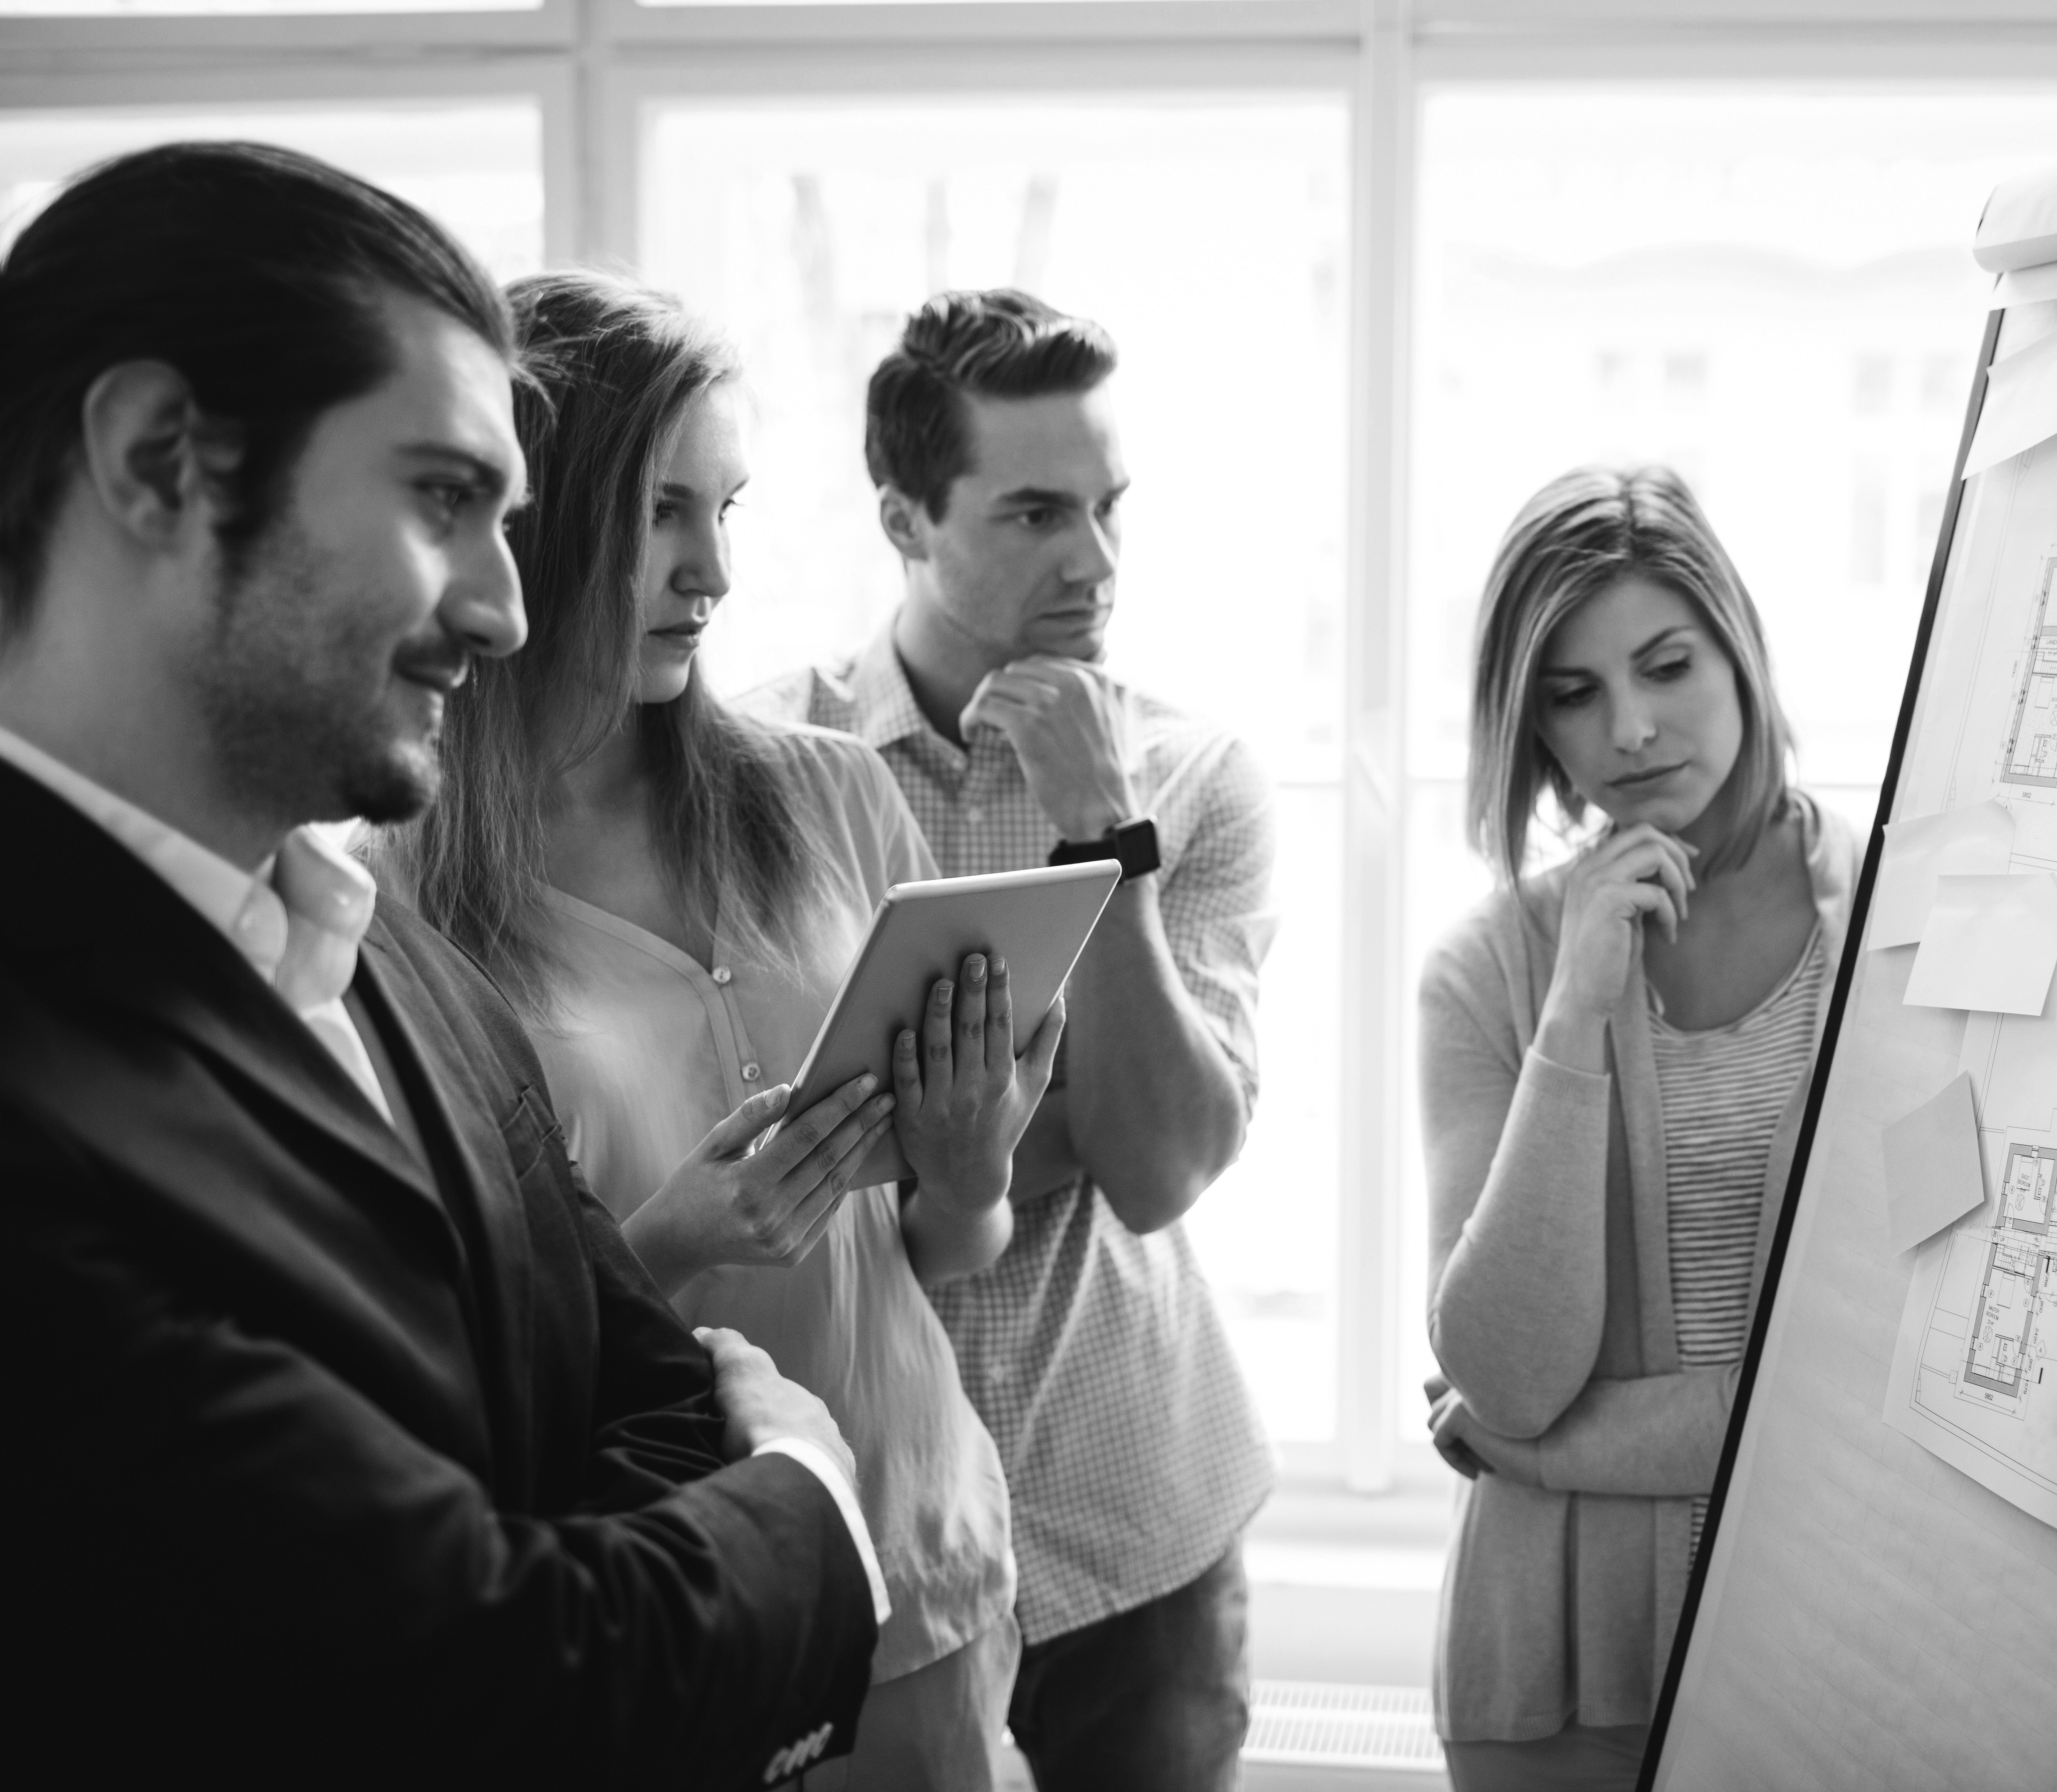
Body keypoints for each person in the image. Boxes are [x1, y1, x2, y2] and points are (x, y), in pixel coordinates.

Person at [0, 143, 884, 1789]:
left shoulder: (386, 942)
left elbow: (635, 1385)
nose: (506, 611)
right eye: (439, 500)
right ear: (156, 460)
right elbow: (497, 1683)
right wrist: (807, 1500)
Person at [381, 269, 1050, 1791]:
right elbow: (442, 1353)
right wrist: (663, 1247)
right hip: (650, 1610)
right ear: (531, 520)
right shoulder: (398, 897)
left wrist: (967, 1165)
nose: (714, 572)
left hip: (918, 1566)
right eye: (662, 513)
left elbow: (941, 1252)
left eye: (728, 508)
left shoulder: (835, 798)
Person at [744, 288, 1276, 1792]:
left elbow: (1159, 1164)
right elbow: (770, 1139)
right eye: (1037, 513)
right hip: (868, 1526)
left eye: (1109, 508)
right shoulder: (767, 774)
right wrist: (1023, 1128)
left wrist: (1109, 839)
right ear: (904, 520)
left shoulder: (1192, 777)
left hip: (1134, 1525)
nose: (1094, 560)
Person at [1419, 466, 1857, 1790]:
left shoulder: (1902, 926)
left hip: (1839, 1649)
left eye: (1666, 666)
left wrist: (1542, 1452)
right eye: (1574, 693)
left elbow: (1871, 1400)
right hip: (1558, 1678)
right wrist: (1573, 1012)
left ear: (1739, 647)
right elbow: (1507, 1371)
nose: (1630, 729)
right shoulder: (1484, 972)